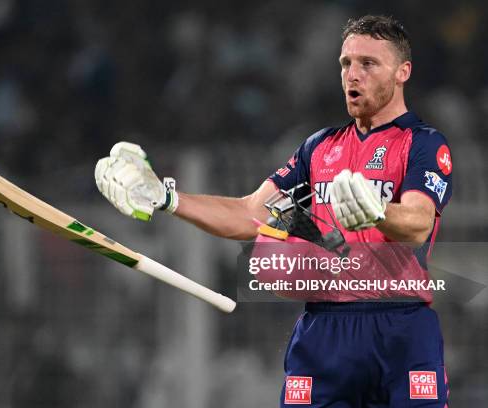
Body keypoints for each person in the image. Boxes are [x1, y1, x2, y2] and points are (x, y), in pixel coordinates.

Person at [95, 15, 452, 407]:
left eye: (369, 64)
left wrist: (378, 211)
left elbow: (418, 222)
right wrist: (165, 198)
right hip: (324, 328)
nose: (353, 74)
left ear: (403, 72)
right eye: (346, 63)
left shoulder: (423, 143)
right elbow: (249, 213)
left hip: (400, 326)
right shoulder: (318, 148)